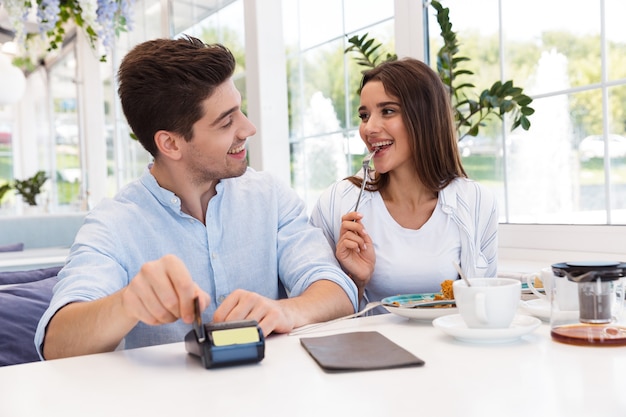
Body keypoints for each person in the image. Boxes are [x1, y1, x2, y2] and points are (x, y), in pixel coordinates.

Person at [35, 36, 357, 360]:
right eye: (227, 121)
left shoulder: (269, 196)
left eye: (240, 110)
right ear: (171, 144)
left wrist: (288, 311)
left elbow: (337, 292)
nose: (248, 128)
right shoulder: (114, 224)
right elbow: (57, 345)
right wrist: (128, 302)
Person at [309, 57, 498, 311]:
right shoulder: (337, 203)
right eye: (364, 115)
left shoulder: (477, 202)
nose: (369, 128)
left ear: (425, 118)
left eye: (387, 111)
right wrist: (357, 282)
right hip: (370, 349)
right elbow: (317, 316)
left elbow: (486, 307)